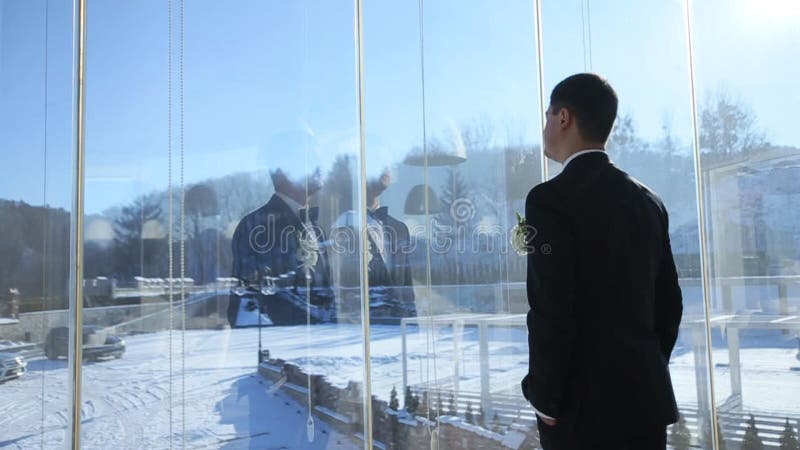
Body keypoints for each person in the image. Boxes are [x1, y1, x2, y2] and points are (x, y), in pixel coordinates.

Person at [520, 73, 683, 449]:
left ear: (563, 118)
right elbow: (669, 305)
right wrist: (646, 367)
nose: (545, 126)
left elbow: (551, 309)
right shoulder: (649, 201)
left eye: (547, 116)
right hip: (646, 401)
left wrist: (545, 398)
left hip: (581, 410)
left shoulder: (549, 201)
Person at [228, 167, 335, 327]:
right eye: (309, 158)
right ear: (282, 172)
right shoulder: (255, 226)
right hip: (283, 346)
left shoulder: (317, 229)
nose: (318, 166)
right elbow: (247, 306)